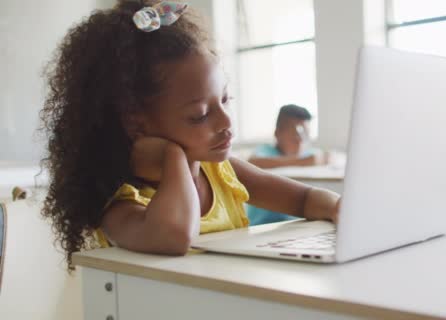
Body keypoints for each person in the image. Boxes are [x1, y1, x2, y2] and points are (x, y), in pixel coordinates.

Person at [39, 0, 339, 271]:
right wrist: (172, 157)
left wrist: (339, 208)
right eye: (199, 115)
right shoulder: (120, 206)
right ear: (136, 123)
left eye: (224, 100)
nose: (225, 121)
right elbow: (174, 236)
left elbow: (304, 199)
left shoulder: (222, 172)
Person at [247, 104, 328, 225]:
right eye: (295, 133)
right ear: (277, 133)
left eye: (305, 134)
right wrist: (301, 162)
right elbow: (253, 163)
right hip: (262, 226)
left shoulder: (309, 154)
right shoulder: (265, 151)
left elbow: (330, 157)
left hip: (294, 225)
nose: (300, 140)